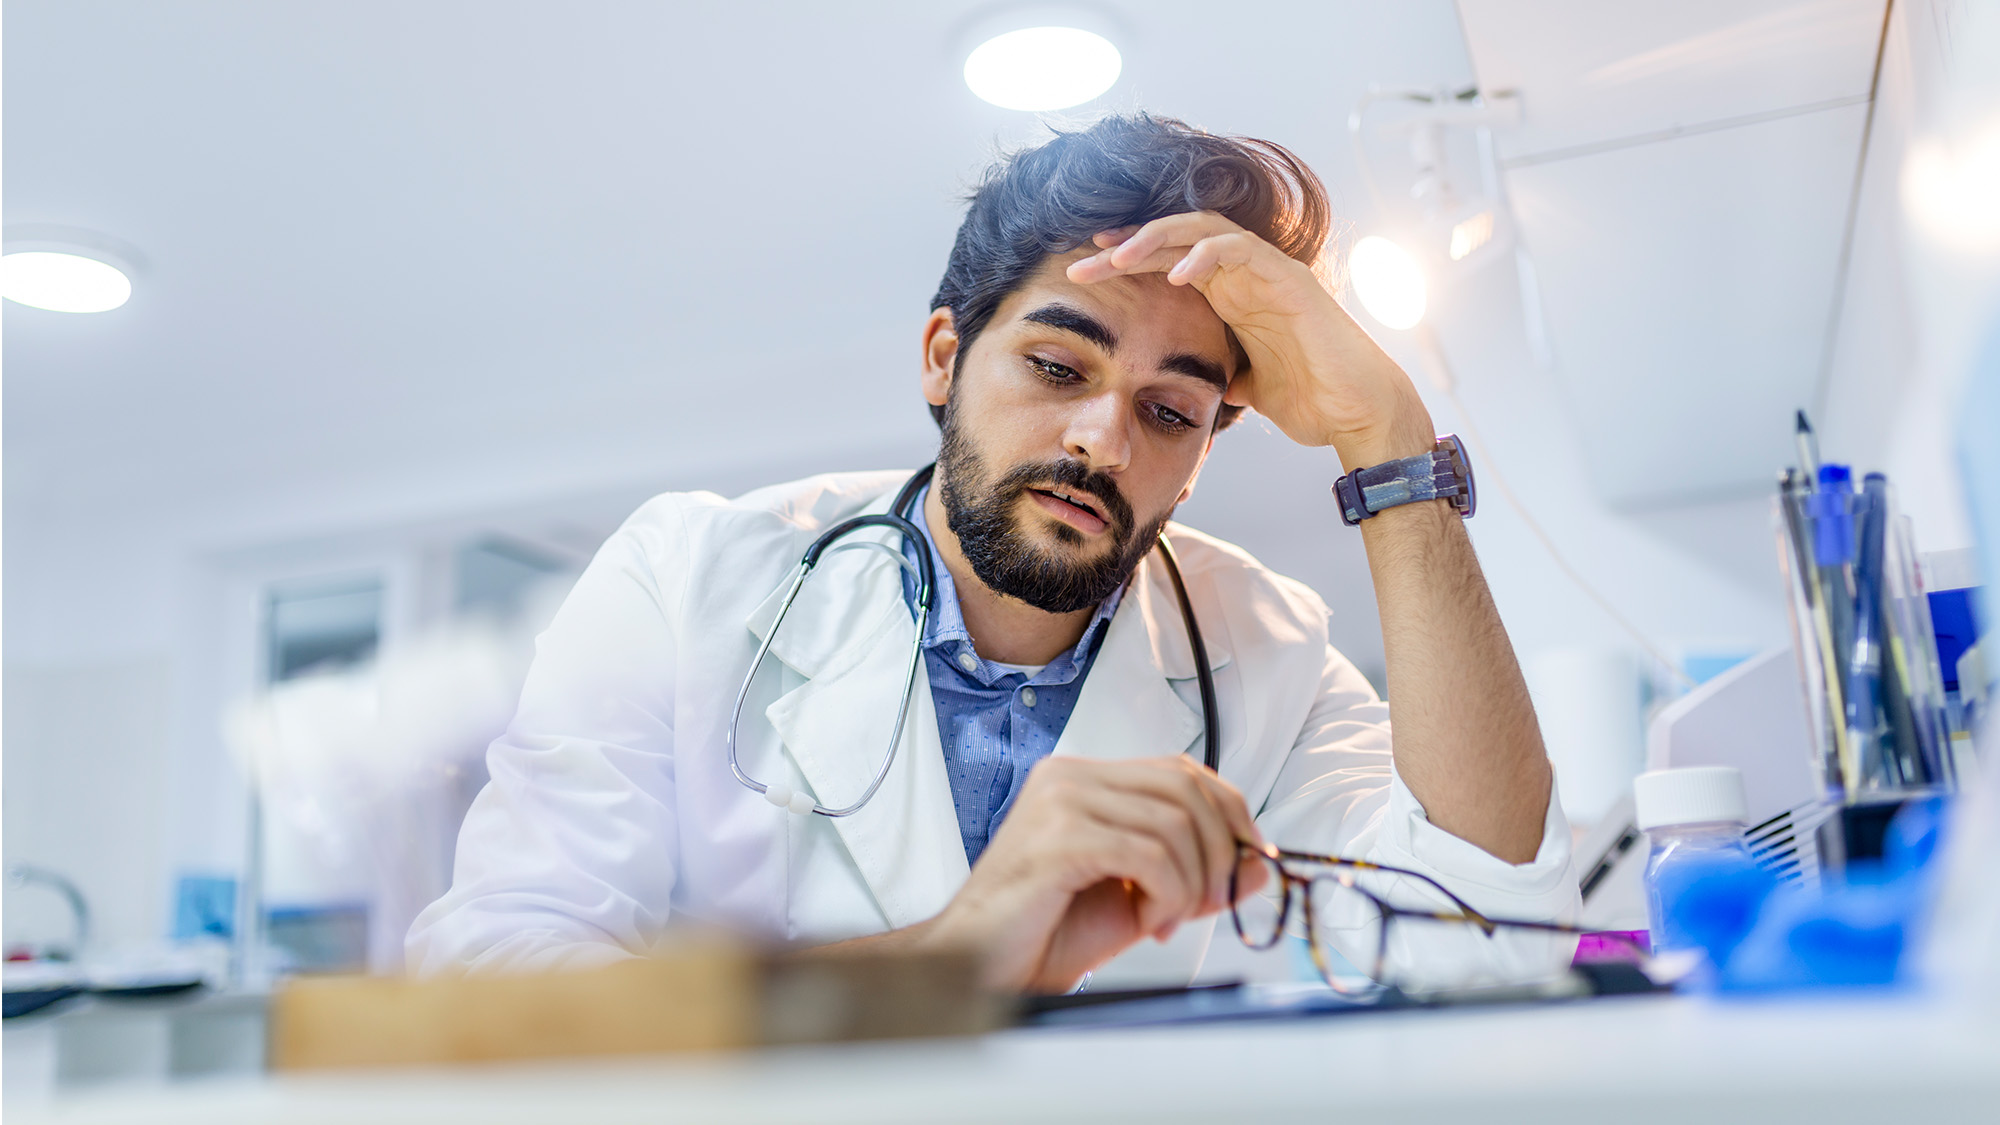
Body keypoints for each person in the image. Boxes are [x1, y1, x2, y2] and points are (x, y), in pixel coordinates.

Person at [407, 114, 1577, 992]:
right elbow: (492, 975)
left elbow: (1483, 929)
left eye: (1171, 412)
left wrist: (1389, 442)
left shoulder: (1268, 654)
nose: (1099, 437)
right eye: (1057, 369)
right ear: (941, 359)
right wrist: (961, 953)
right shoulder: (687, 577)